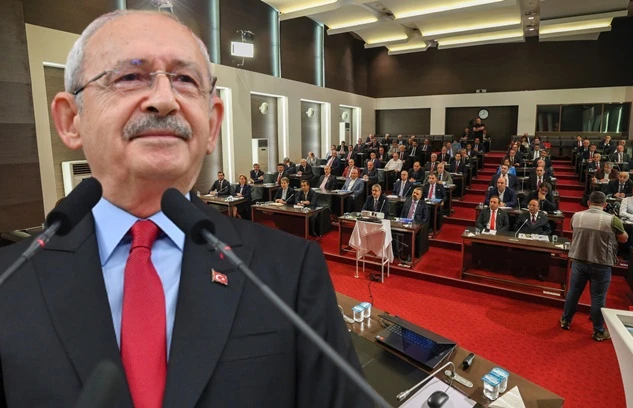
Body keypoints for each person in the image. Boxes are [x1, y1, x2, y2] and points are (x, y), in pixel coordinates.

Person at [0, 9, 365, 408]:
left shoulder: (291, 271)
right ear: (71, 120)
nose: (163, 100)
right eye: (130, 76)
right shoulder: (10, 282)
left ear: (212, 124)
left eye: (185, 80)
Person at [560, 191, 628, 341]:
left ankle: (566, 320)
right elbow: (623, 239)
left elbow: (574, 230)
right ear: (605, 204)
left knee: (573, 292)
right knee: (598, 297)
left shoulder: (577, 216)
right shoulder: (612, 219)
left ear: (589, 203)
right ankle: (598, 331)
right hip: (601, 263)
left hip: (579, 259)